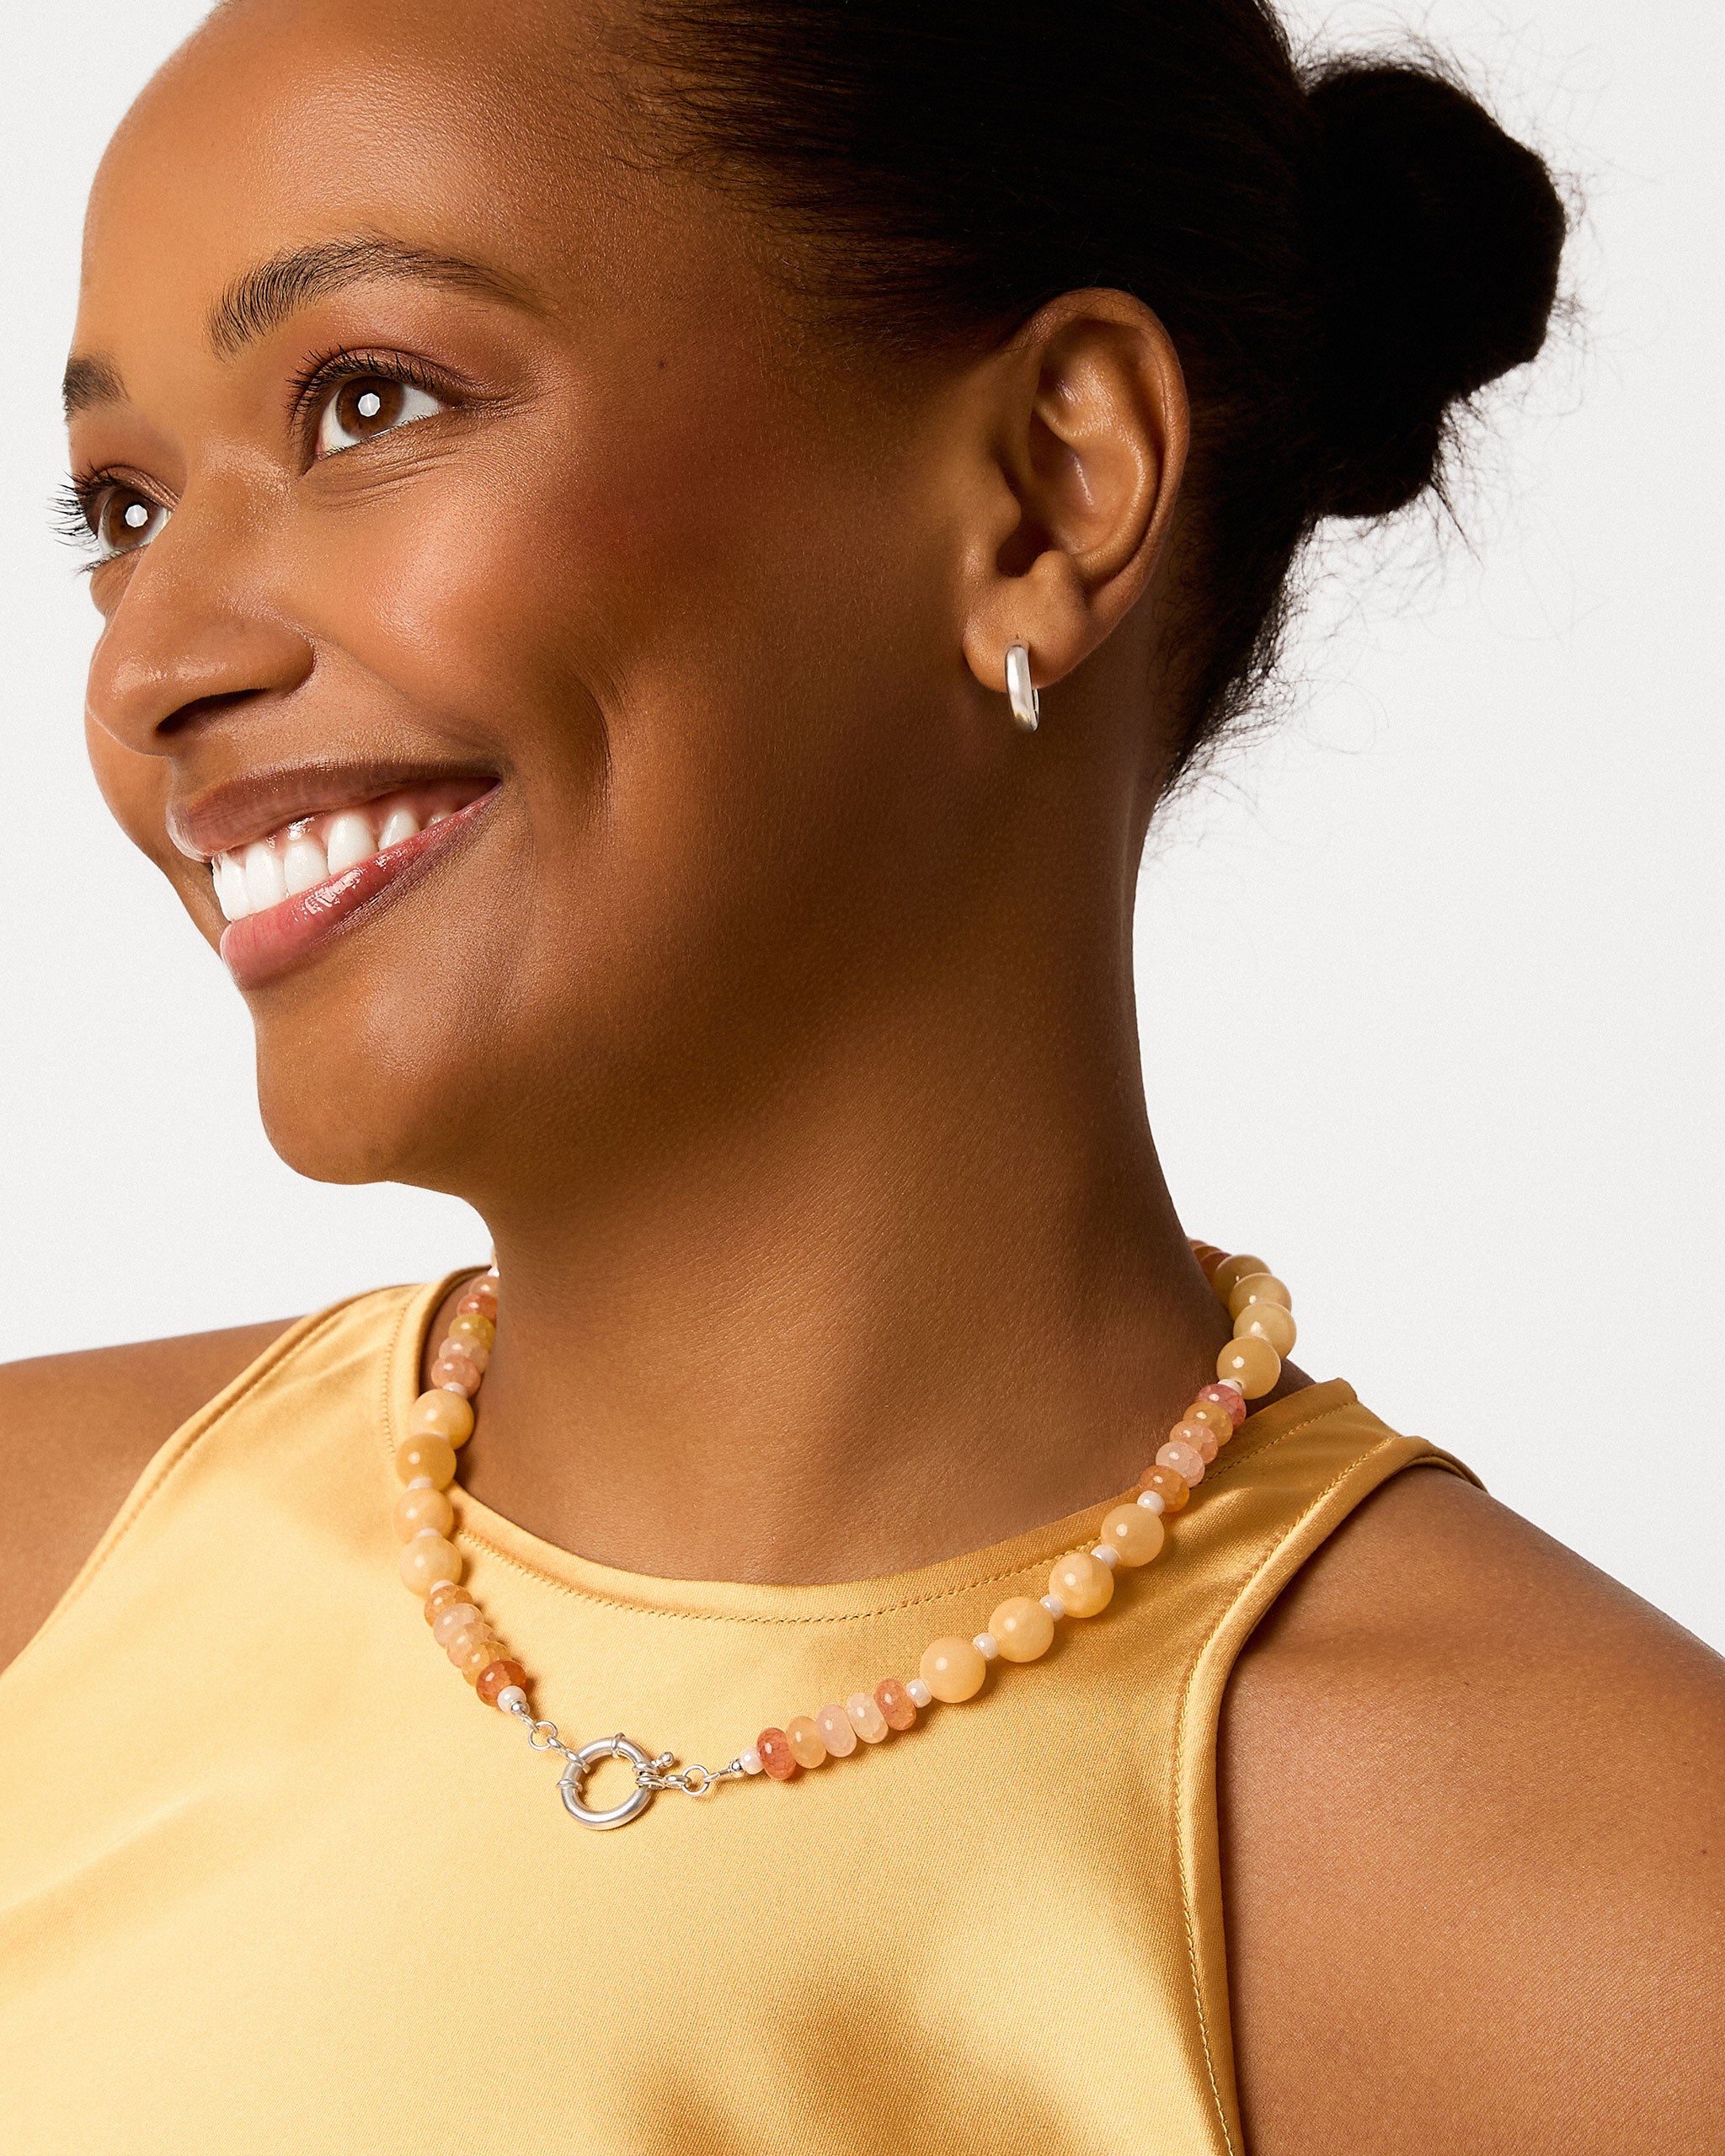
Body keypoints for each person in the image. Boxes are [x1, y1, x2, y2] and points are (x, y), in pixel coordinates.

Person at [3, 0, 1721, 2148]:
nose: (151, 665)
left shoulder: (1606, 1928)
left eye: (370, 402)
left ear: (1046, 486)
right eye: (120, 506)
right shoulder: (39, 1582)